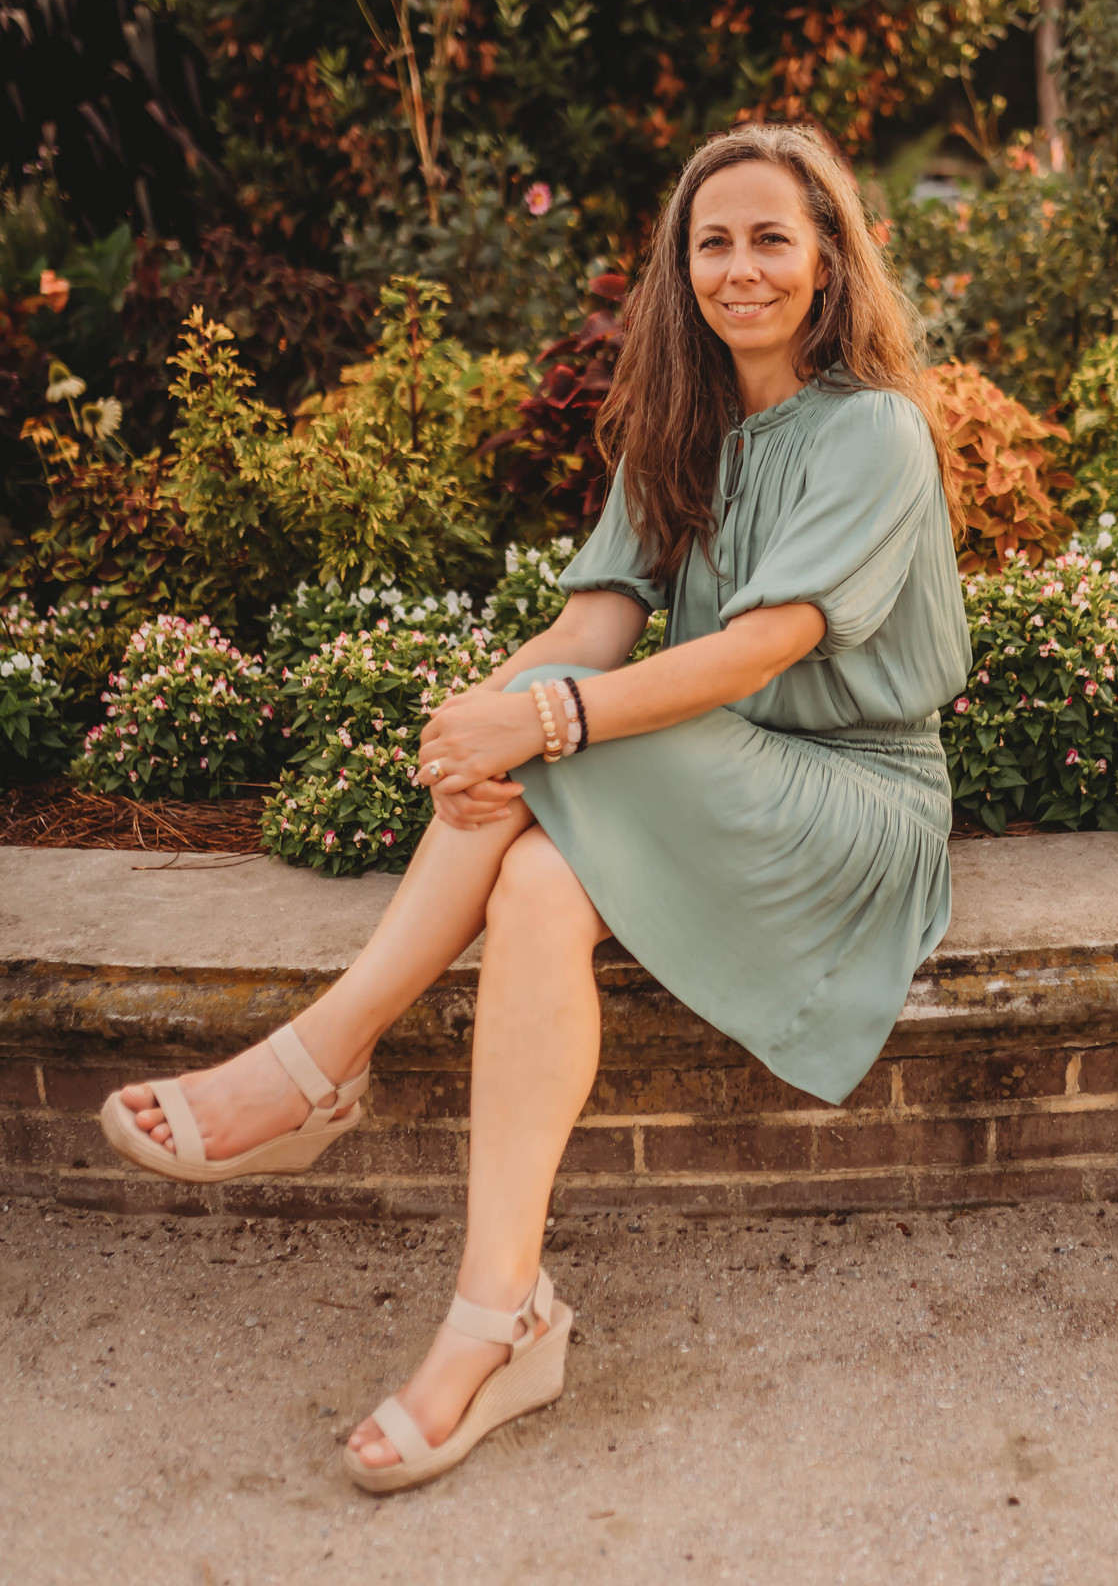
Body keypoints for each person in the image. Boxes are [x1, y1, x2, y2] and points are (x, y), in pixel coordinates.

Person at [100, 121, 971, 1493]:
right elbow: (599, 618)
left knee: (553, 739)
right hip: (718, 778)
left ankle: (320, 1060)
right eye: (713, 243)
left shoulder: (876, 433)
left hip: (853, 811)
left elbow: (759, 649)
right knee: (534, 884)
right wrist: (472, 720)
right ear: (681, 269)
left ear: (828, 264)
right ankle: (500, 1318)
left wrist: (544, 716)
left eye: (770, 240)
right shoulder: (676, 435)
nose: (740, 269)